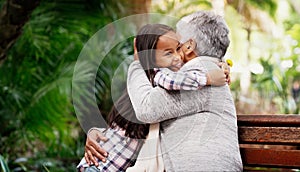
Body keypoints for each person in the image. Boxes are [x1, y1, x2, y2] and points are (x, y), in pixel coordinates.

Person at [78, 23, 227, 171]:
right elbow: (172, 82)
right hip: (99, 166)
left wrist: (221, 64)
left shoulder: (145, 82)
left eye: (177, 48)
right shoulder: (159, 77)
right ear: (151, 58)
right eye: (168, 53)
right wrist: (207, 78)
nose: (177, 57)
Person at [127, 10, 243, 171]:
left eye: (177, 42)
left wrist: (137, 63)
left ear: (189, 46)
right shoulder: (206, 70)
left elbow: (147, 108)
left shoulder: (197, 78)